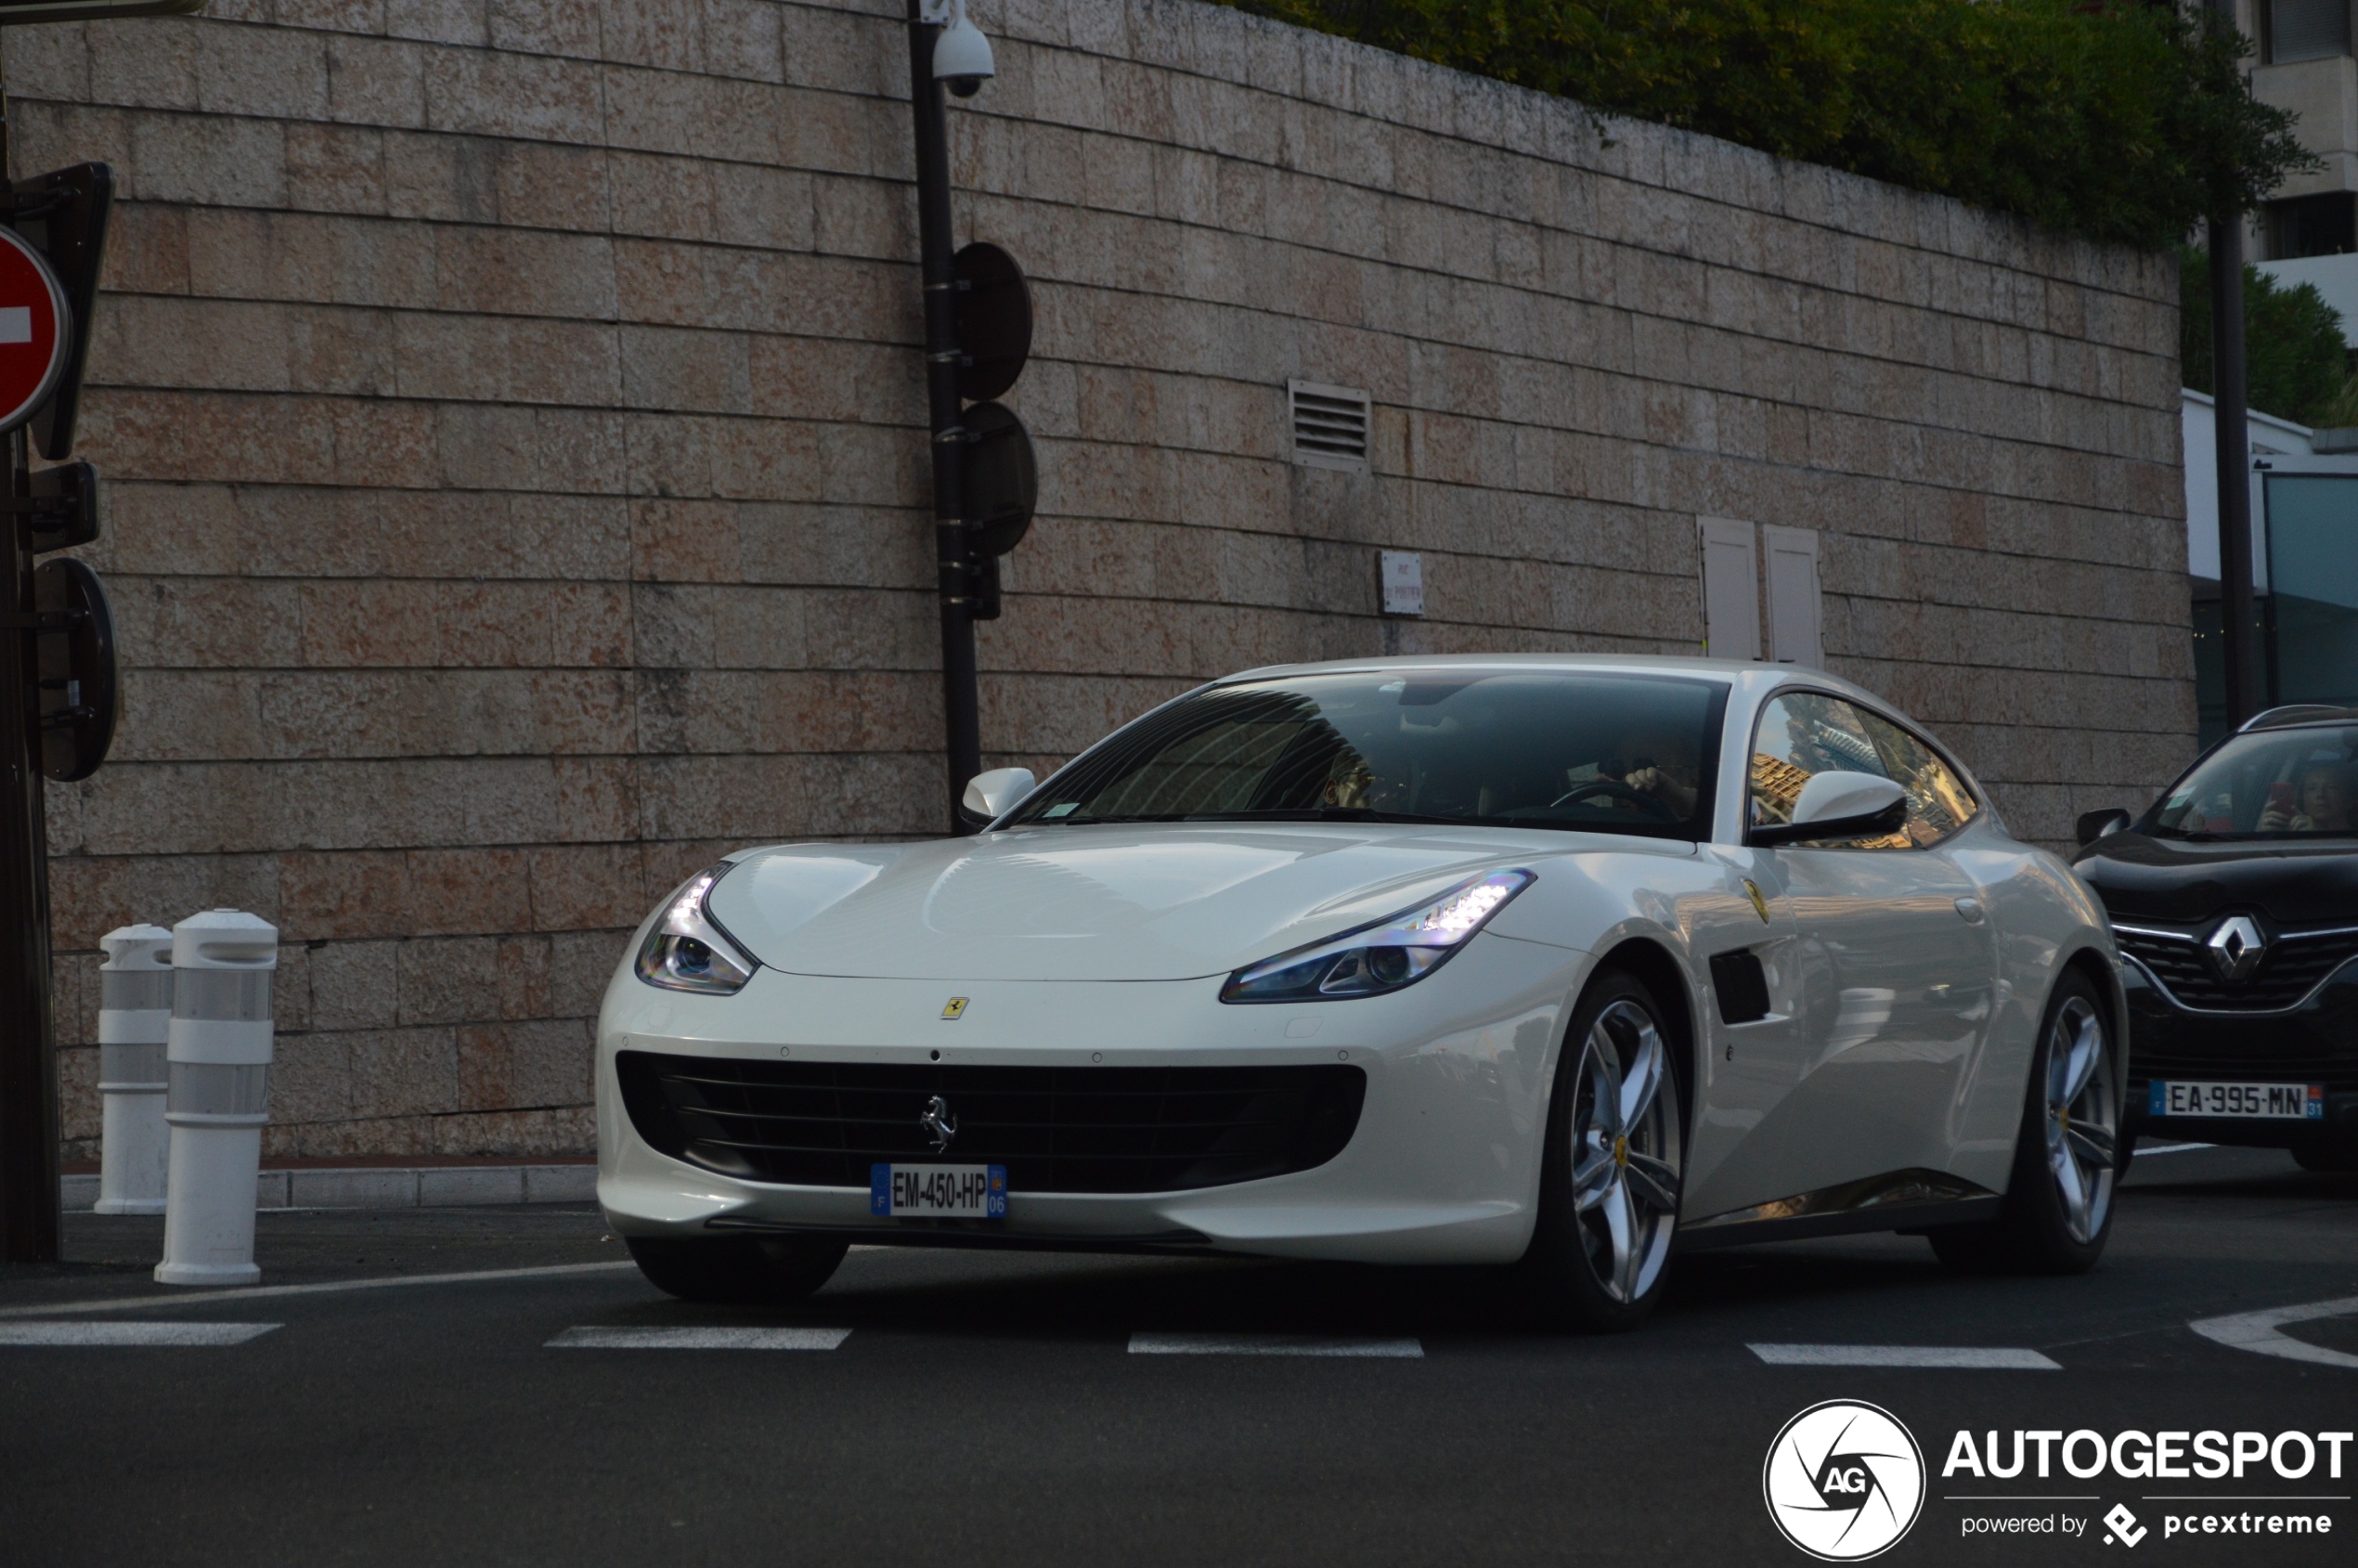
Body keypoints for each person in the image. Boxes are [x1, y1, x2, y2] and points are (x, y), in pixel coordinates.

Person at [2259, 760, 2355, 834]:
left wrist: (2316, 836)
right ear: (2303, 802)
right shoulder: (2291, 838)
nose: (2320, 794)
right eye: (2312, 789)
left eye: (2331, 787)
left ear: (2349, 800)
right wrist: (2264, 836)